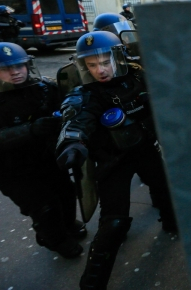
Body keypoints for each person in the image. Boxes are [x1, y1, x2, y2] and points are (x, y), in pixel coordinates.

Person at [55, 31, 177, 289]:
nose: (100, 70)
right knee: (113, 224)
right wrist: (72, 143)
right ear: (83, 66)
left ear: (118, 58)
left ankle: (172, 223)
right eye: (92, 65)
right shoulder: (86, 93)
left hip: (146, 150)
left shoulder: (138, 76)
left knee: (166, 191)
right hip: (113, 161)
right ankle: (92, 284)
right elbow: (77, 119)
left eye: (105, 62)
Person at [0, 42, 86, 259]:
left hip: (47, 159)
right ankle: (54, 239)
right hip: (13, 171)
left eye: (19, 66)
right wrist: (30, 130)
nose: (15, 72)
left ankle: (65, 225)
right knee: (44, 207)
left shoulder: (44, 88)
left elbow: (68, 105)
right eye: (5, 68)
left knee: (67, 194)